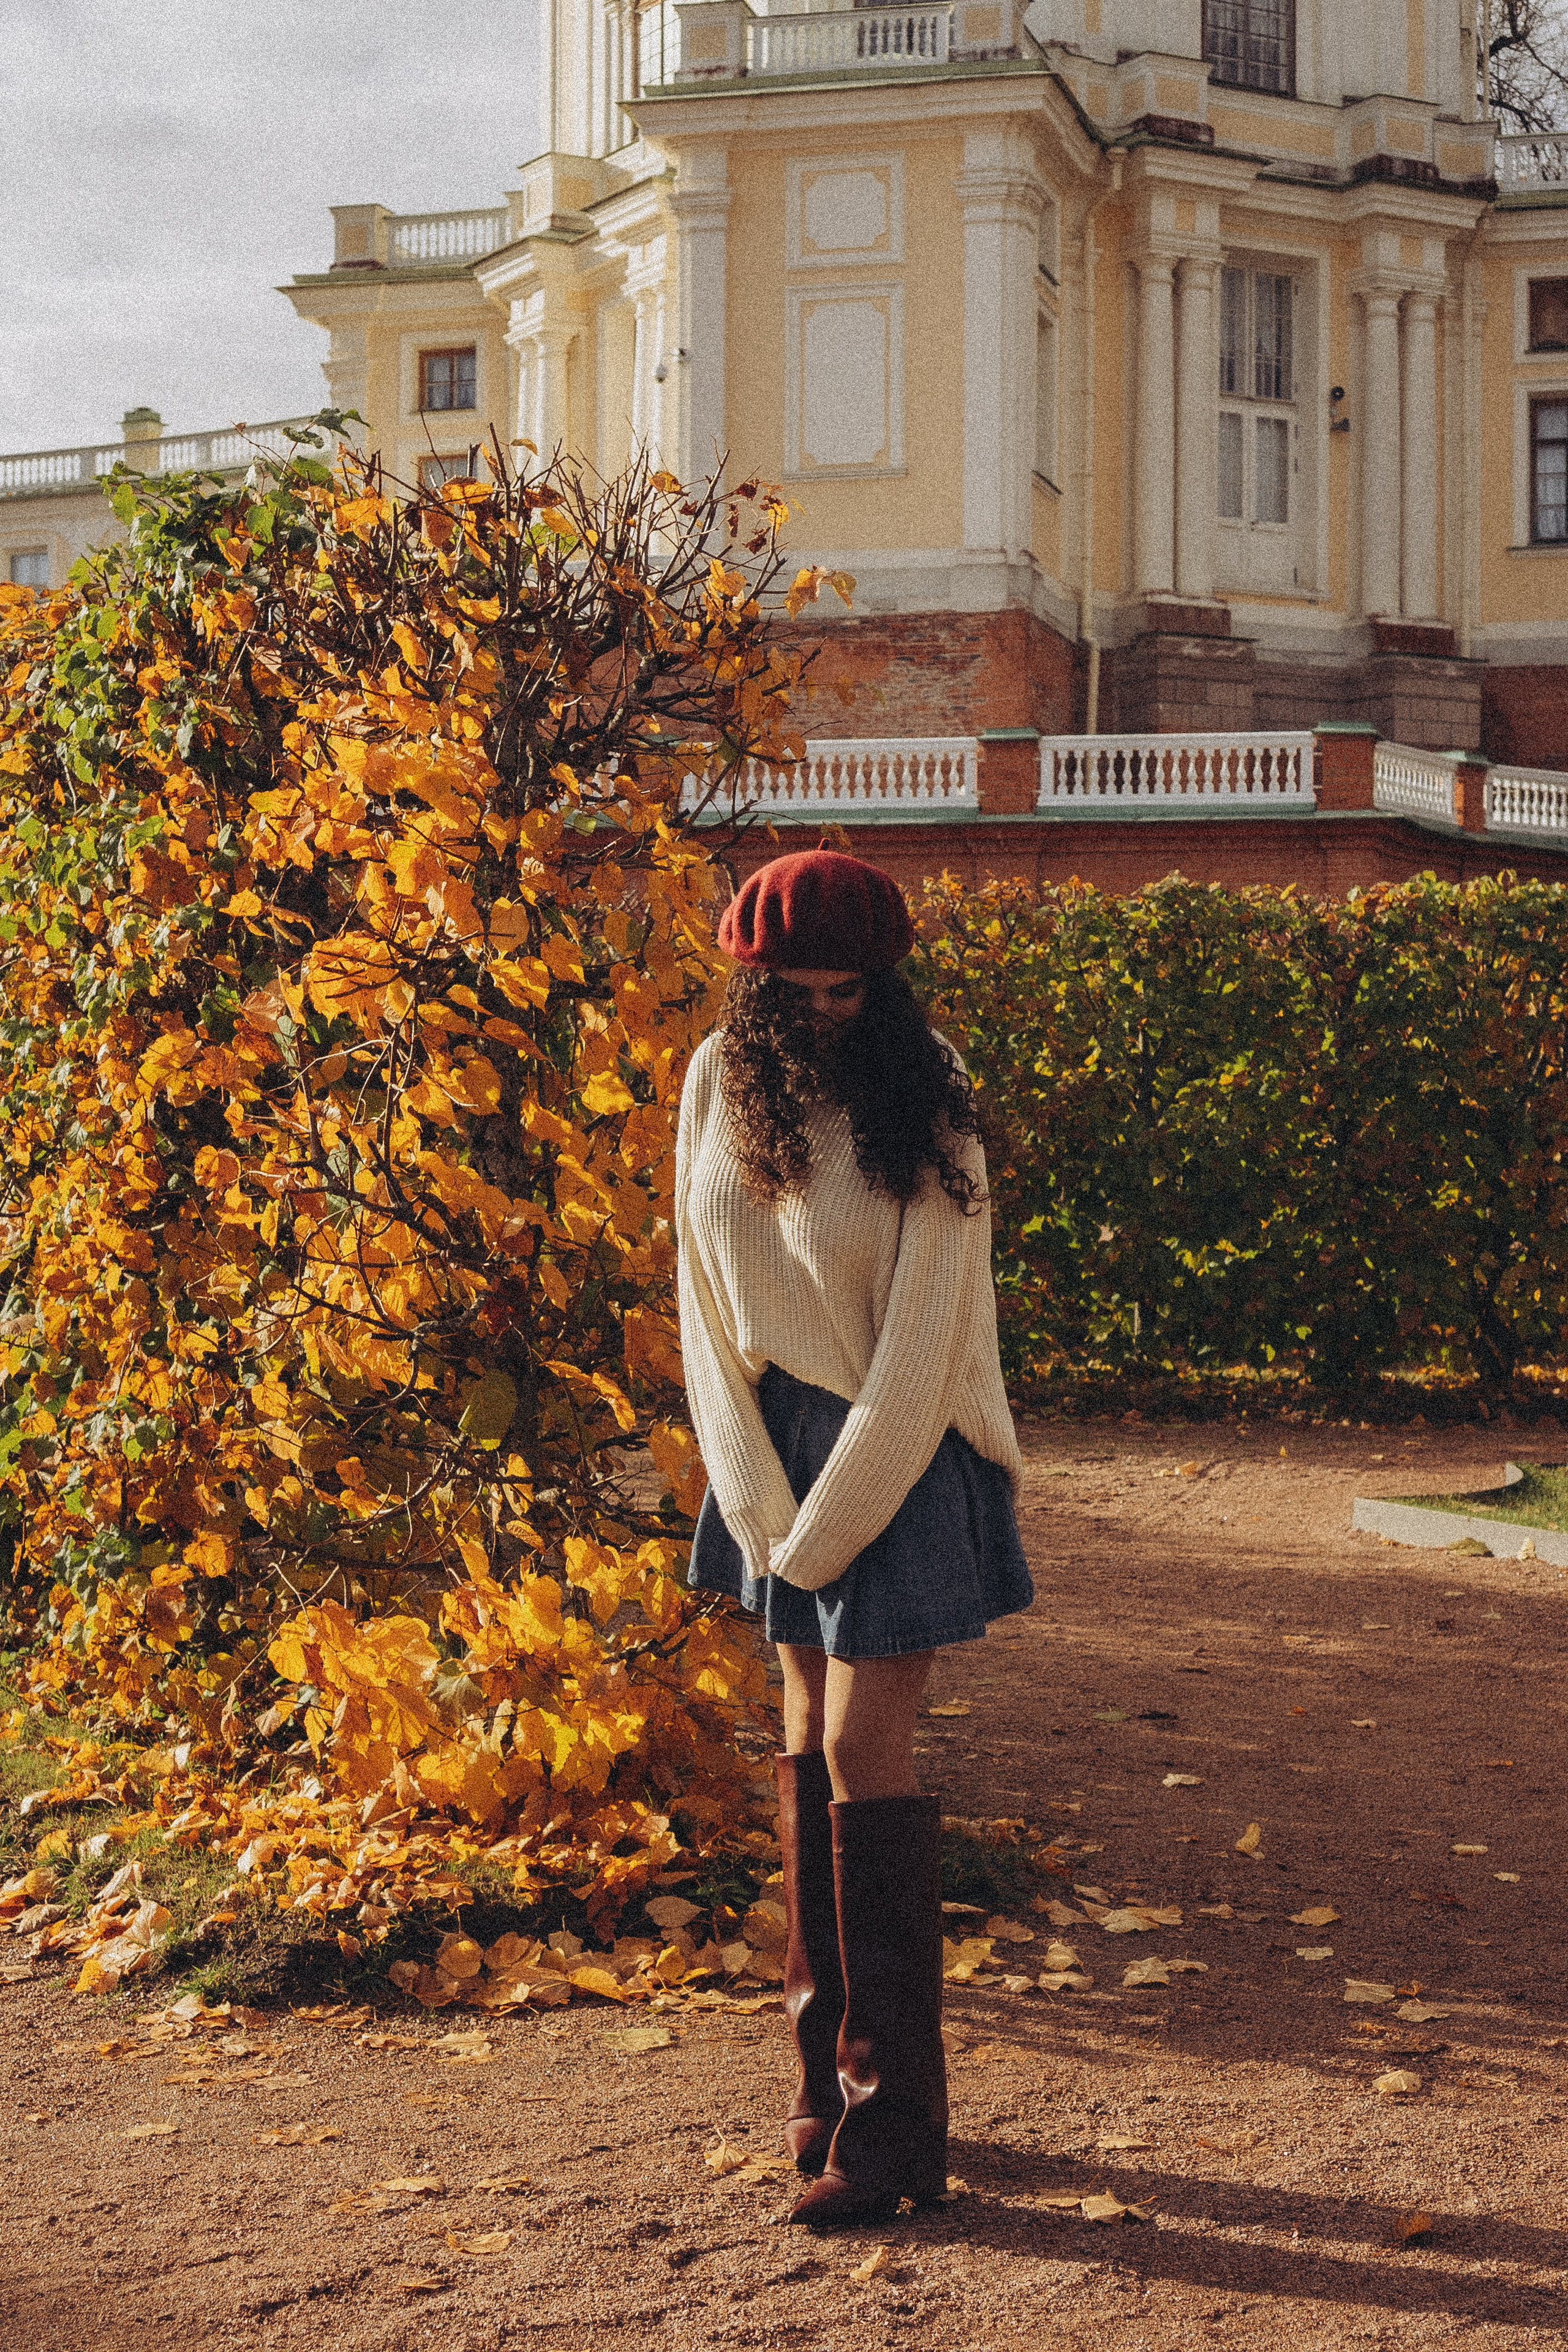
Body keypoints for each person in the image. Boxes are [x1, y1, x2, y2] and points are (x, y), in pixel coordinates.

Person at [674, 846, 1031, 2228]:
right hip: (770, 1454)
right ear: (754, 985)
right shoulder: (717, 1078)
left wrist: (822, 1529)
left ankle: (894, 2133)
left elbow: (930, 1338)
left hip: (906, 1448)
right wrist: (756, 1496)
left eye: (850, 990)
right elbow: (701, 1300)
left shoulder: (930, 1092)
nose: (826, 1011)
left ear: (884, 983)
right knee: (799, 1747)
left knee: (856, 1754)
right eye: (800, 991)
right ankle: (824, 2087)